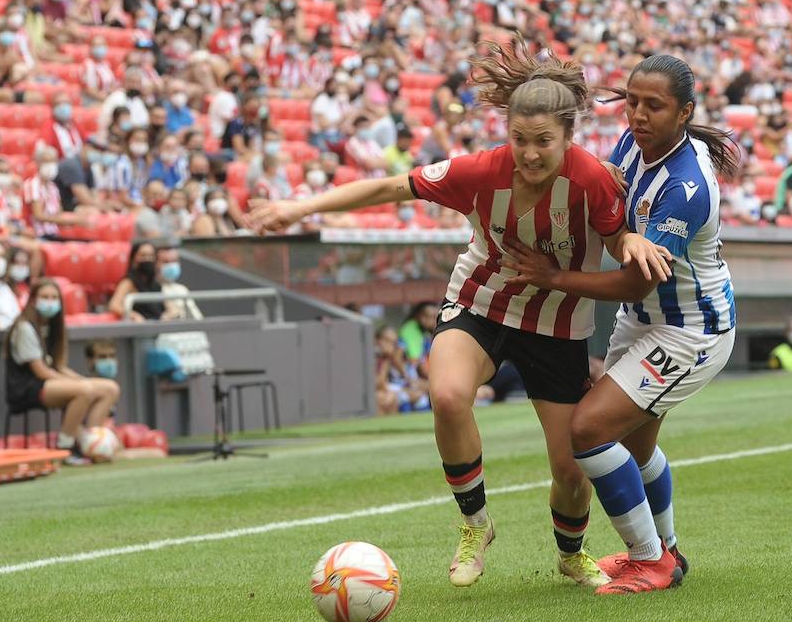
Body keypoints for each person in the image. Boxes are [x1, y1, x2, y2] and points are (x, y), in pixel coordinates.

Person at [250, 37, 672, 591]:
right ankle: (476, 525)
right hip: (481, 304)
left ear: (569, 138)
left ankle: (571, 553)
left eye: (544, 141)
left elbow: (619, 242)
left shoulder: (592, 179)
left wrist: (633, 246)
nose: (530, 153)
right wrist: (298, 207)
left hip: (558, 327)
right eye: (519, 139)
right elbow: (387, 186)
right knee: (447, 394)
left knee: (572, 470)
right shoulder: (478, 172)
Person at [502, 54, 739, 595]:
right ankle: (668, 552)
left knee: (587, 430)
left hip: (690, 331)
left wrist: (553, 277)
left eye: (653, 106)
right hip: (644, 322)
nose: (637, 115)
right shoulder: (637, 145)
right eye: (632, 101)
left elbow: (636, 282)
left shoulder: (685, 187)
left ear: (684, 113)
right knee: (630, 448)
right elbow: (607, 201)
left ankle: (647, 559)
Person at [6, 279, 122, 466]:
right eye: (45, 297)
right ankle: (65, 448)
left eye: (54, 297)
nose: (50, 301)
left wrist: (83, 380)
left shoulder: (54, 327)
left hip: (50, 382)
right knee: (84, 390)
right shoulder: (24, 327)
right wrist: (82, 385)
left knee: (110, 388)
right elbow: (41, 371)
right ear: (33, 300)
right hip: (27, 388)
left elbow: (59, 366)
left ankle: (91, 442)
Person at [108, 241, 164, 322]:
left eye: (151, 256)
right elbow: (114, 305)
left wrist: (170, 312)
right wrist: (133, 315)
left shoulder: (156, 283)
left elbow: (168, 305)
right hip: (141, 328)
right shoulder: (128, 282)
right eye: (143, 255)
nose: (147, 259)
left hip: (159, 326)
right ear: (134, 258)